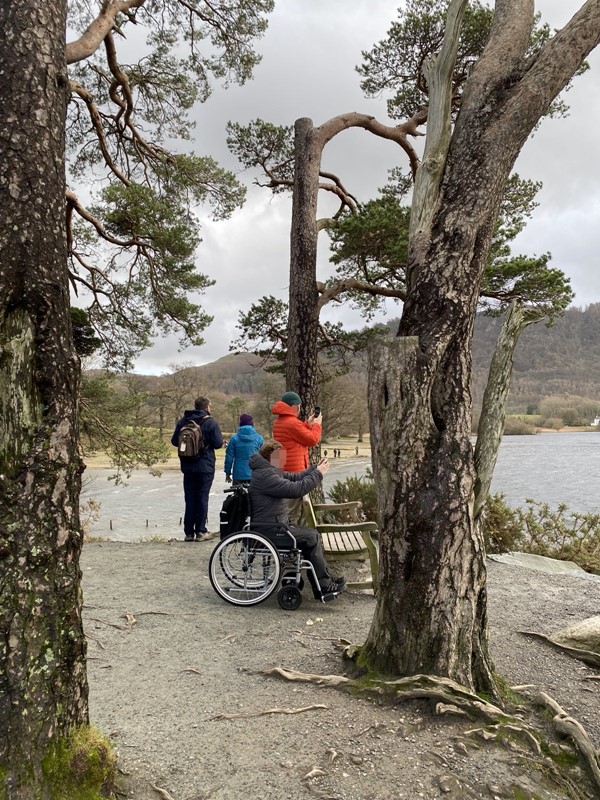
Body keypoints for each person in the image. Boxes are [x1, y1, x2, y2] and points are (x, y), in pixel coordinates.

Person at [248, 441, 345, 597]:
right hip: (271, 530)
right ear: (272, 457)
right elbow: (297, 489)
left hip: (277, 525)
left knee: (311, 535)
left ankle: (324, 581)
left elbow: (295, 477)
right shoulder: (266, 476)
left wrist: (314, 468)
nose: (284, 460)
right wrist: (318, 474)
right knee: (311, 537)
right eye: (281, 457)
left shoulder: (269, 471)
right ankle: (324, 586)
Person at [171, 396, 223, 542]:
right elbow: (218, 443)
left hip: (187, 466)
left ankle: (188, 533)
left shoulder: (183, 421)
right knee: (202, 497)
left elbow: (175, 441)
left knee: (189, 498)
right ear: (207, 407)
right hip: (205, 466)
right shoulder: (211, 422)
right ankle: (200, 531)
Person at [271, 391, 322, 523]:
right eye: (299, 406)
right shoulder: (292, 423)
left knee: (288, 509)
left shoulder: (279, 422)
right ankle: (291, 539)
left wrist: (307, 425)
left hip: (284, 469)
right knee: (293, 513)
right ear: (294, 407)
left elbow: (295, 436)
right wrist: (317, 424)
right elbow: (312, 439)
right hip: (295, 471)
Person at [224, 413, 264, 485]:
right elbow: (265, 457)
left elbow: (229, 458)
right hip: (255, 473)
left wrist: (228, 473)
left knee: (238, 495)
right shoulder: (259, 438)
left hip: (239, 474)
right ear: (252, 423)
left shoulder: (234, 439)